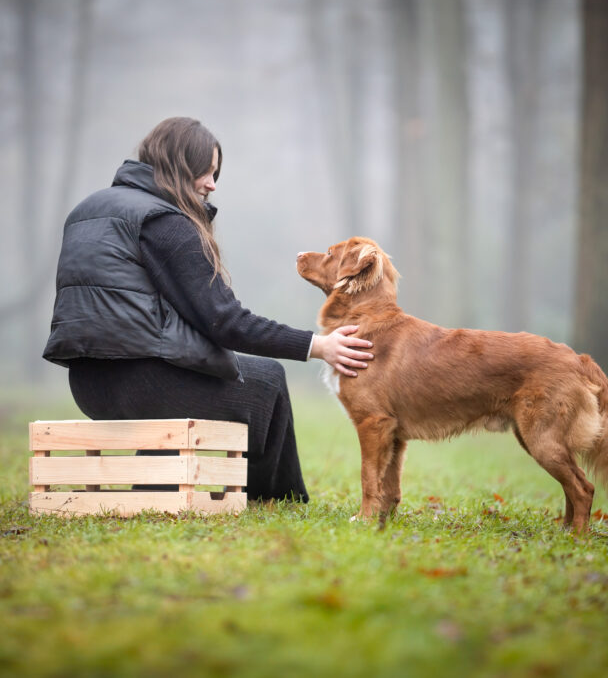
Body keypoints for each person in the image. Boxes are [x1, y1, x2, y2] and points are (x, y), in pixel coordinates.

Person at [42, 117, 373, 502]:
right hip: (141, 383)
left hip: (87, 385)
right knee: (267, 381)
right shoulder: (162, 220)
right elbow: (226, 322)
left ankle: (154, 486)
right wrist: (317, 346)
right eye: (207, 171)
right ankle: (276, 501)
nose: (212, 184)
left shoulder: (88, 210)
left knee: (217, 378)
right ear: (182, 163)